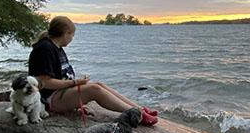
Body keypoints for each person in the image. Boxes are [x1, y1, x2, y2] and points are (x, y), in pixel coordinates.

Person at [28, 16, 158, 125]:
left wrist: (77, 85)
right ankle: (138, 115)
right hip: (48, 99)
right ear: (66, 32)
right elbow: (45, 82)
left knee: (99, 85)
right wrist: (75, 83)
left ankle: (139, 109)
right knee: (94, 90)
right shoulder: (45, 48)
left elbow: (61, 75)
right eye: (72, 35)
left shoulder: (56, 47)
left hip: (59, 93)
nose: (72, 39)